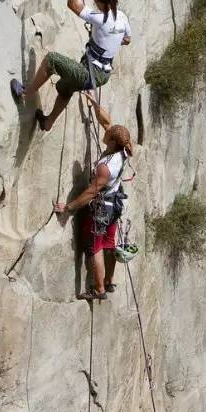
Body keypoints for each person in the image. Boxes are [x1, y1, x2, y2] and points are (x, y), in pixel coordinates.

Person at [11, 0, 132, 132]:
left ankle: (26, 94)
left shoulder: (99, 18)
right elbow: (127, 39)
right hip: (103, 74)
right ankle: (48, 122)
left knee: (52, 59)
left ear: (99, 0)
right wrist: (110, 37)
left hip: (90, 72)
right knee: (66, 88)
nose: (94, 1)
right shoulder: (122, 17)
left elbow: (72, 3)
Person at [54, 91, 133, 301]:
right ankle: (109, 280)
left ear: (113, 141)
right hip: (115, 205)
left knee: (94, 247)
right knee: (108, 242)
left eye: (109, 134)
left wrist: (69, 207)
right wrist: (94, 103)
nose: (105, 132)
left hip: (103, 208)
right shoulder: (120, 150)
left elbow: (91, 192)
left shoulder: (106, 168)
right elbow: (106, 122)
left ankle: (98, 289)